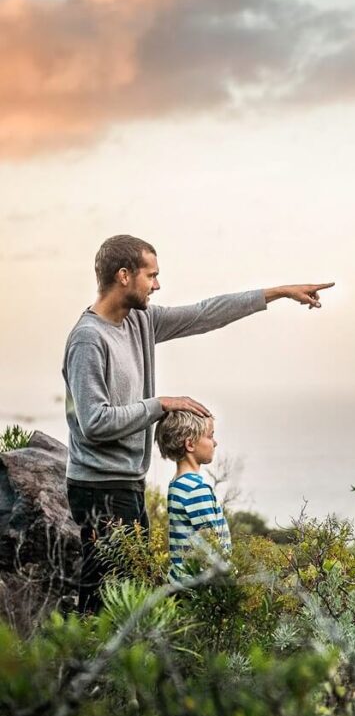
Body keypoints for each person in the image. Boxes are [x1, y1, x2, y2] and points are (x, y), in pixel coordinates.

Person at [63, 234, 333, 612]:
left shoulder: (141, 321)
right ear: (124, 276)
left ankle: (108, 668)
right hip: (98, 487)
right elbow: (94, 422)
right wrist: (161, 404)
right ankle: (79, 668)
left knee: (127, 597)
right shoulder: (88, 340)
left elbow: (205, 314)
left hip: (127, 482)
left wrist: (279, 292)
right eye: (151, 276)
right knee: (102, 602)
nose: (157, 285)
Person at [154, 410, 230, 584]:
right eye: (210, 436)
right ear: (190, 444)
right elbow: (211, 544)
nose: (215, 443)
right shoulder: (196, 489)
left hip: (181, 581)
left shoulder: (177, 484)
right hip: (198, 587)